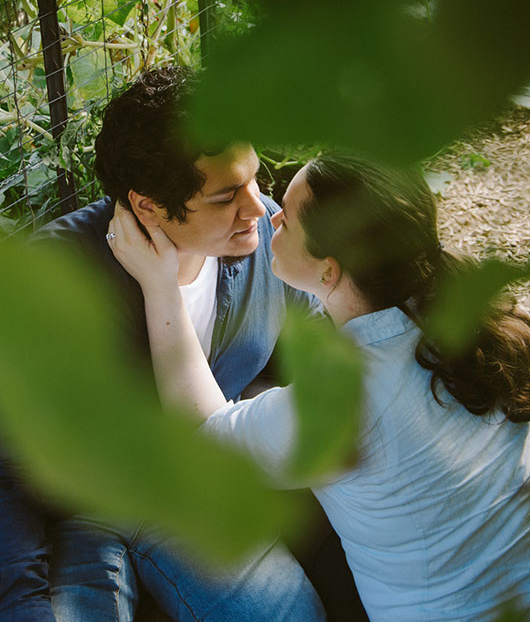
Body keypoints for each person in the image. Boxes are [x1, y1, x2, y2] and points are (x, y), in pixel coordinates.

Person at [108, 153, 530, 622]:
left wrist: (160, 286)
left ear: (329, 271)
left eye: (289, 218)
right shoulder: (484, 326)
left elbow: (203, 436)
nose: (271, 215)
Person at [15, 66, 326, 622]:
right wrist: (21, 601)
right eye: (227, 195)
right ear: (149, 206)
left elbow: (320, 362)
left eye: (255, 179)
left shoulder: (266, 246)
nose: (258, 208)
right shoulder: (56, 278)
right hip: (81, 512)